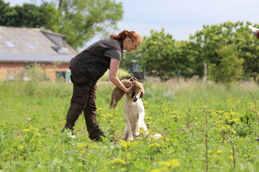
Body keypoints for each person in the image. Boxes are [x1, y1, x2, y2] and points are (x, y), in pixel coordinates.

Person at [63, 30, 143, 141]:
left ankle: (95, 135)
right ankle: (67, 131)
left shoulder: (114, 45)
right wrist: (125, 89)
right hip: (83, 71)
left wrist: (128, 79)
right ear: (128, 40)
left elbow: (115, 71)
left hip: (87, 73)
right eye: (135, 45)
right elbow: (113, 77)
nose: (135, 49)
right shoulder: (115, 50)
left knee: (90, 105)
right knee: (80, 101)